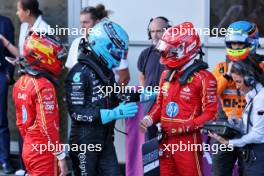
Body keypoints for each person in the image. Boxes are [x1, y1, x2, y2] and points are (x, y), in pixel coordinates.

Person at [139, 22, 218, 176]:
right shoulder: (165, 75)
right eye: (166, 51)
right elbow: (159, 105)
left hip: (188, 142)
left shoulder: (205, 78)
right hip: (164, 140)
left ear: (185, 49)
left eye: (171, 51)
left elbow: (211, 115)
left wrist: (182, 127)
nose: (165, 55)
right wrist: (148, 119)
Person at [65, 19, 140, 175]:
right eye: (118, 52)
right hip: (84, 142)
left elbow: (116, 95)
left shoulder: (105, 72)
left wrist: (143, 94)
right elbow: (76, 113)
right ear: (104, 47)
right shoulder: (79, 72)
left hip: (105, 138)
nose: (120, 57)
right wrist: (112, 114)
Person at [0, 1, 50, 174]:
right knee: (24, 123)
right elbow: (23, 55)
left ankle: (37, 167)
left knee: (37, 125)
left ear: (27, 11)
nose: (17, 12)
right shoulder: (23, 28)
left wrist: (20, 65)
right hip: (25, 81)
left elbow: (43, 61)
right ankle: (24, 166)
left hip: (38, 83)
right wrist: (5, 43)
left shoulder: (44, 29)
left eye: (19, 9)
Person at [13, 32, 68, 176]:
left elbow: (20, 122)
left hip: (29, 148)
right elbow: (47, 126)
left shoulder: (20, 82)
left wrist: (31, 144)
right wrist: (61, 156)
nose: (59, 61)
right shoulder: (44, 85)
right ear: (43, 56)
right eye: (56, 56)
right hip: (44, 153)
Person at [212, 20, 260, 176]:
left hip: (251, 128)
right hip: (226, 126)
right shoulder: (221, 67)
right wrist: (228, 74)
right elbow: (212, 92)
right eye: (232, 44)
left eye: (239, 44)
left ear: (251, 42)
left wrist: (250, 73)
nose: (235, 48)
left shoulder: (261, 65)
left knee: (251, 171)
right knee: (219, 171)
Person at [210, 58, 264, 176]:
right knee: (220, 170)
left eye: (238, 82)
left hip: (255, 150)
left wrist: (228, 142)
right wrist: (236, 123)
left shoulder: (260, 98)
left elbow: (258, 135)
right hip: (231, 127)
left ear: (250, 80)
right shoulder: (251, 96)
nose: (237, 87)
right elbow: (212, 94)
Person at [65, 4, 130, 86]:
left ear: (97, 22)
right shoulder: (76, 42)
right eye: (81, 22)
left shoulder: (112, 43)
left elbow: (125, 77)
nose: (82, 26)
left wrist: (114, 95)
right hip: (81, 96)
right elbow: (71, 72)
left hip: (106, 96)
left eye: (86, 22)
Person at [137, 16, 169, 140]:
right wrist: (145, 96)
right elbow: (142, 77)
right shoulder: (145, 54)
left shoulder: (175, 53)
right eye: (152, 31)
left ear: (167, 31)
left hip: (168, 104)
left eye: (159, 31)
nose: (155, 35)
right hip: (149, 106)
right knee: (150, 142)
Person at [0, 15, 15, 174]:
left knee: (1, 120)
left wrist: (8, 74)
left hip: (0, 75)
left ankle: (4, 160)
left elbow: (11, 51)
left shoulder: (5, 22)